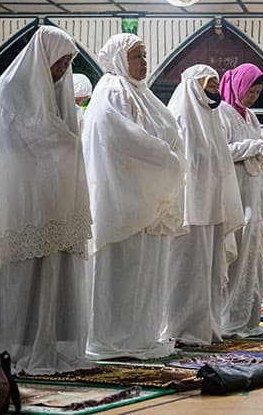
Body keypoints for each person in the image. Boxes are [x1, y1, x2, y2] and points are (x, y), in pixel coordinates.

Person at [0, 26, 92, 374]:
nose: (61, 70)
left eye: (66, 64)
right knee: (22, 275)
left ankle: (53, 344)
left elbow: (62, 137)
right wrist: (66, 144)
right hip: (20, 199)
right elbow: (29, 138)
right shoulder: (11, 89)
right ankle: (13, 346)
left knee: (53, 273)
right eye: (58, 61)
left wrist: (65, 144)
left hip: (54, 199)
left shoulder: (56, 91)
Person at [83, 34, 185, 359]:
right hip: (122, 198)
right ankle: (114, 338)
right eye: (137, 56)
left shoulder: (144, 94)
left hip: (149, 197)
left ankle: (141, 335)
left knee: (148, 271)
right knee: (122, 270)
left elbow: (171, 133)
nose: (144, 62)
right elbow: (120, 138)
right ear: (118, 59)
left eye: (145, 54)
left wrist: (169, 155)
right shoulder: (111, 90)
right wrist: (166, 156)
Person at [164, 64, 244, 345]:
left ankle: (206, 327)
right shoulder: (180, 116)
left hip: (211, 208)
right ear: (194, 86)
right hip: (189, 211)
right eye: (209, 85)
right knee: (186, 272)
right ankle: (181, 329)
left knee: (207, 273)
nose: (214, 91)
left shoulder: (210, 119)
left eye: (216, 85)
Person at [217, 63, 263, 337]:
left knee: (252, 251)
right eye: (251, 90)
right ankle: (228, 319)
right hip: (235, 189)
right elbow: (220, 151)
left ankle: (248, 318)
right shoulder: (222, 114)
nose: (253, 96)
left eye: (258, 92)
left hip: (253, 187)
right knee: (235, 251)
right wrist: (251, 147)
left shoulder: (250, 116)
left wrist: (257, 149)